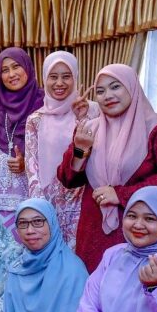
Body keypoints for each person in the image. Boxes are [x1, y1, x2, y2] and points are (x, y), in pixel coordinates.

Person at [58, 64, 157, 271]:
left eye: (115, 87)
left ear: (132, 87)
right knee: (93, 284)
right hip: (93, 228)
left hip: (140, 228)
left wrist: (121, 194)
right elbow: (68, 179)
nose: (108, 96)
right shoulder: (90, 128)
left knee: (136, 284)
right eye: (100, 91)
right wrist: (80, 149)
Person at [25, 52, 98, 249]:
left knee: (79, 257)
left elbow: (95, 155)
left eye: (66, 76)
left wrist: (83, 118)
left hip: (83, 201)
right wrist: (40, 205)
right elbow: (31, 166)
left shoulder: (93, 111)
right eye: (53, 76)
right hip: (47, 202)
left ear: (75, 77)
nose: (59, 83)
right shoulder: (35, 119)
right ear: (44, 78)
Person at [0, 48, 45, 230]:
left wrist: (26, 163)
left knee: (26, 239)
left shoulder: (43, 103)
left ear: (28, 68)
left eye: (16, 66)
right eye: (5, 70)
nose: (11, 74)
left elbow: (50, 150)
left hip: (28, 191)